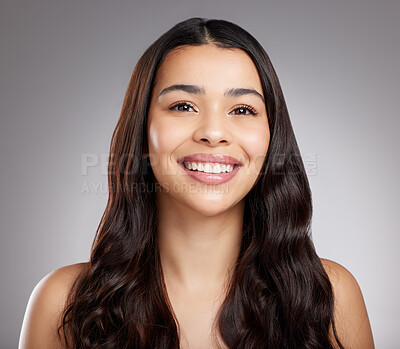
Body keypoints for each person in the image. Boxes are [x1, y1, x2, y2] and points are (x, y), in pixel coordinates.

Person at [19, 17, 374, 349]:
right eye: (183, 106)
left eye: (243, 109)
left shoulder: (331, 295)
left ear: (272, 137)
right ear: (142, 131)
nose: (214, 133)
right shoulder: (61, 302)